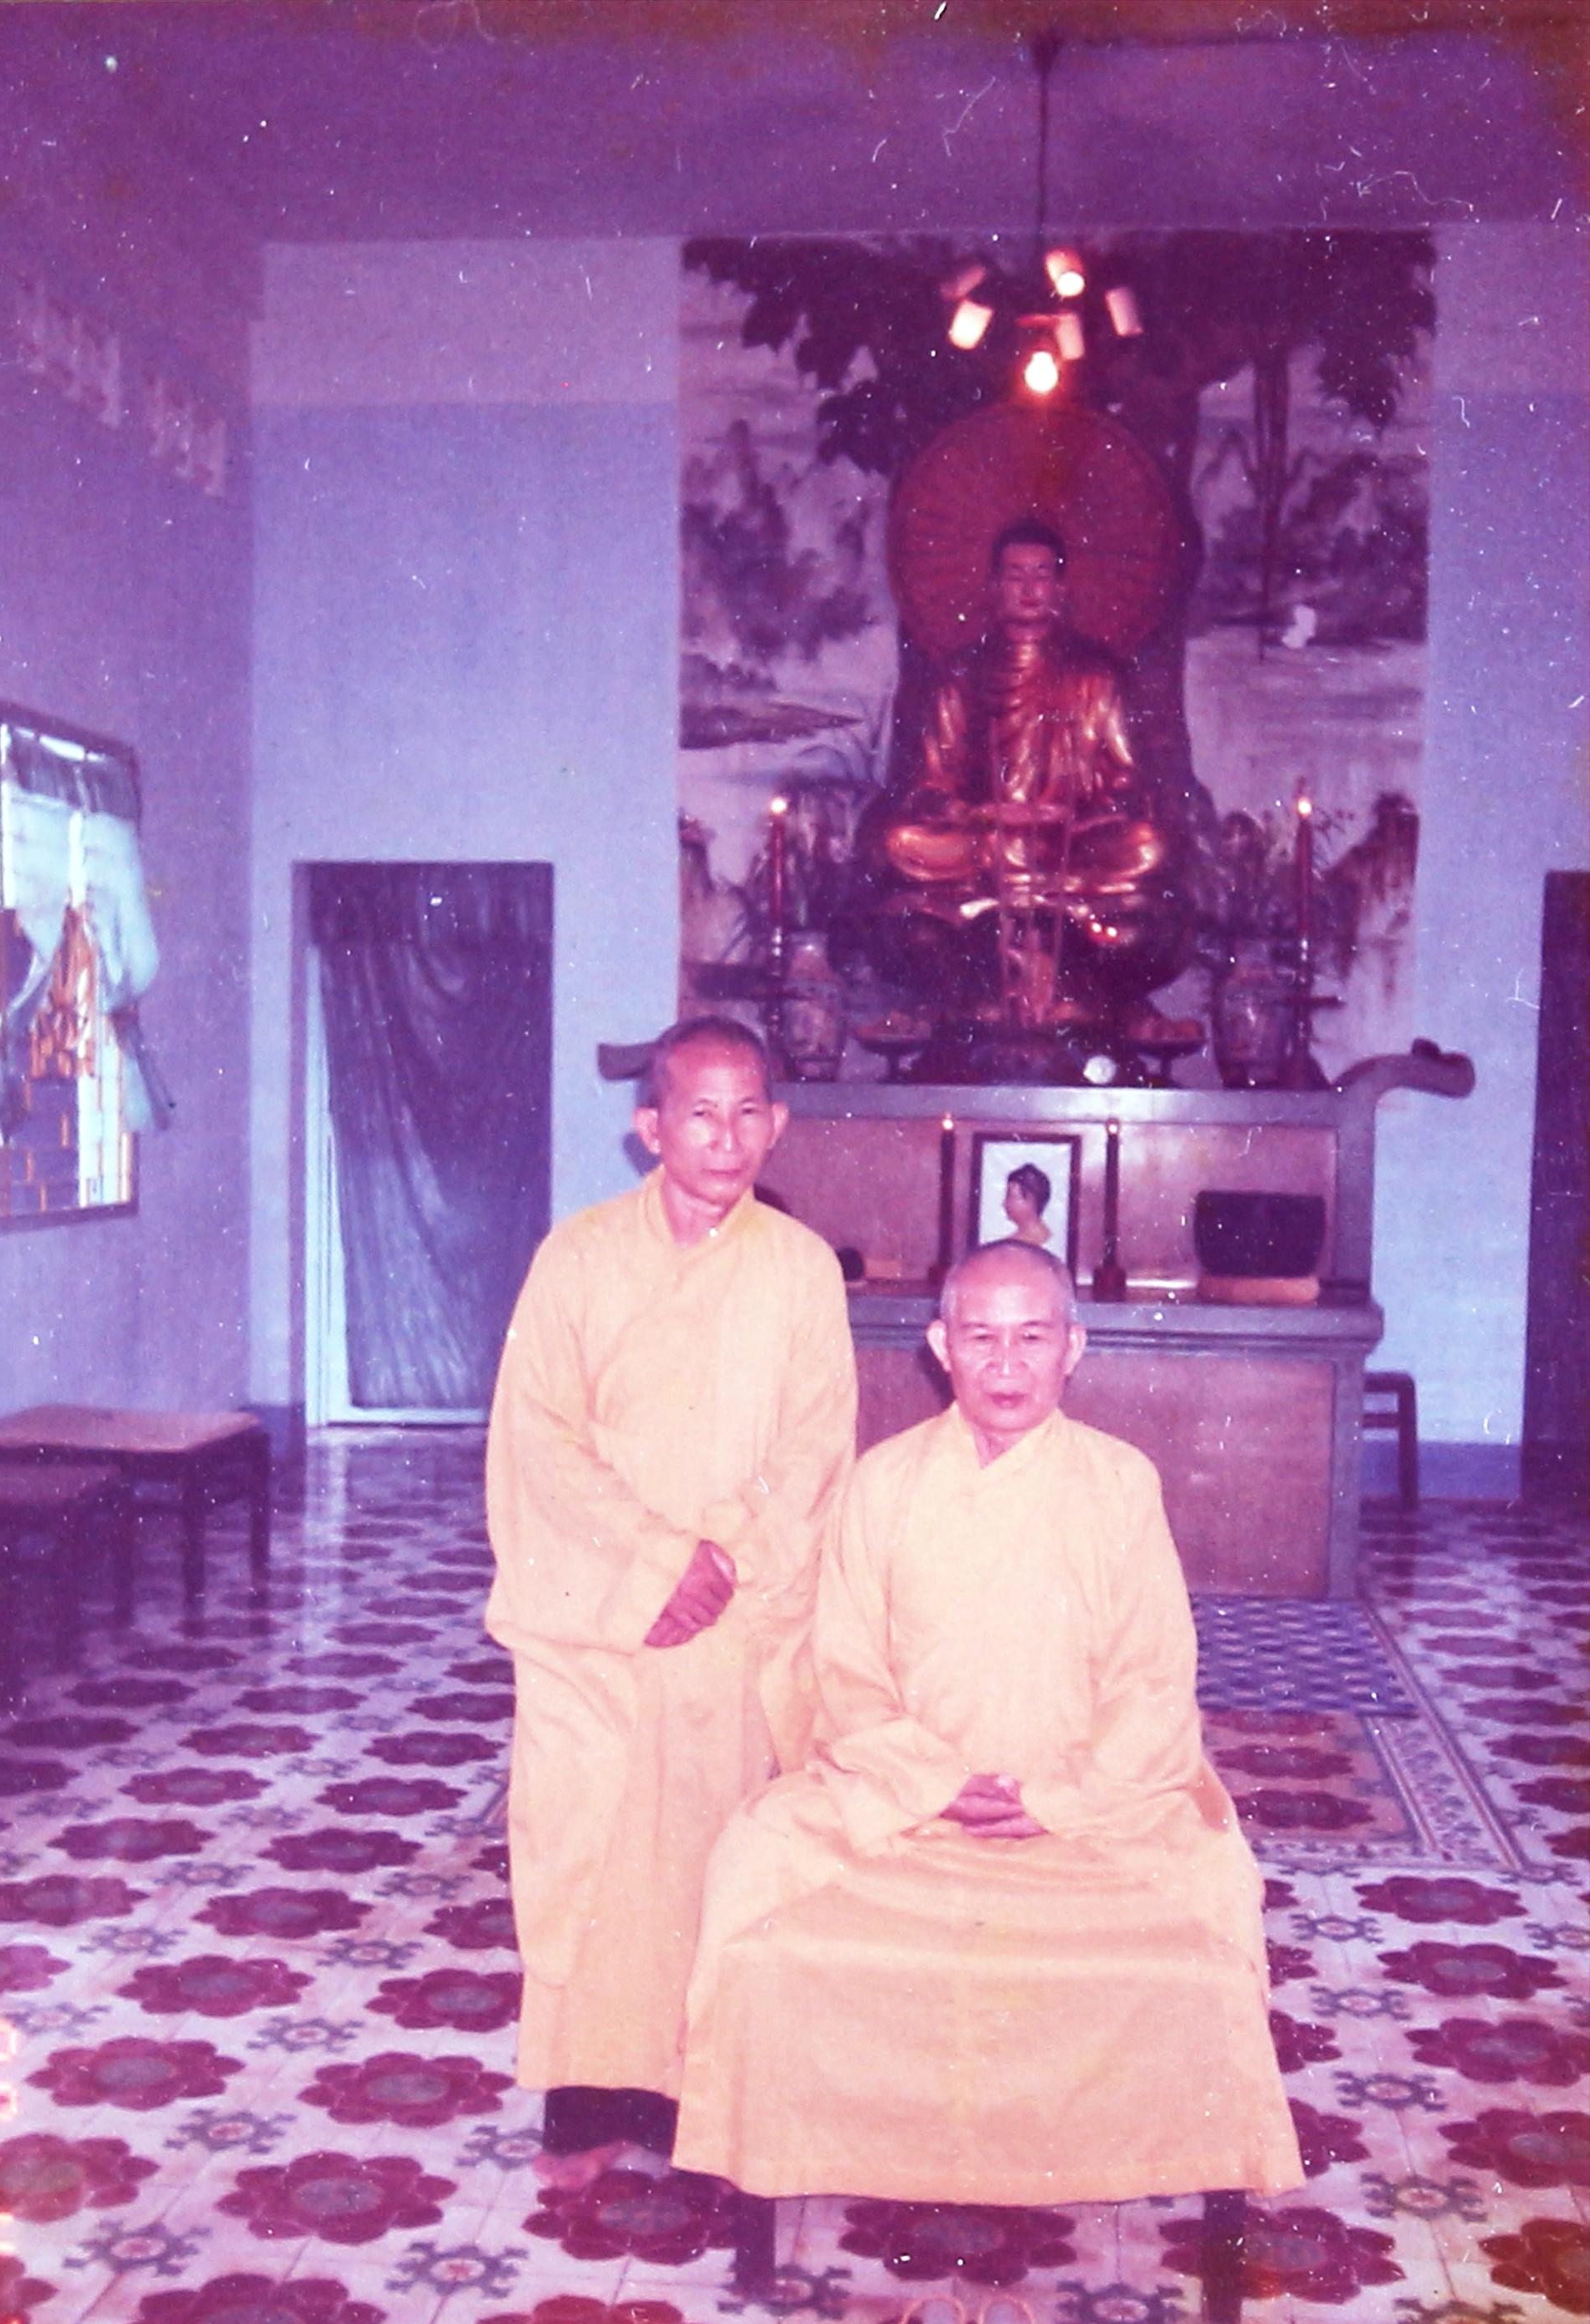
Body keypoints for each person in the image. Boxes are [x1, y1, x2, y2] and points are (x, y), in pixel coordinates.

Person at [673, 1239, 1303, 2209]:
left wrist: (1056, 1796)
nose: (1006, 1364)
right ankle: (780, 2144)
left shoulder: (1119, 1481)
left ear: (1072, 1347)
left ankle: (1160, 2148)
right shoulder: (882, 1480)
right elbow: (846, 1670)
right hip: (907, 1805)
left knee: (1216, 1888)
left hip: (1089, 1815)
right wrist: (932, 1782)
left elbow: (1153, 1681)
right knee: (753, 1862)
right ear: (941, 1345)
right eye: (981, 1338)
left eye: (1031, 1337)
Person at [485, 1016, 857, 2188]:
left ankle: (715, 2113)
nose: (725, 1137)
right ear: (650, 1127)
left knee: (726, 1857)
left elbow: (816, 1442)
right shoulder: (577, 1257)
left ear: (776, 1124)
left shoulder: (800, 1267)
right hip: (610, 1616)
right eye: (700, 1112)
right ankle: (589, 2105)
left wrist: (719, 1560)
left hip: (739, 1619)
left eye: (748, 1112)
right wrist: (654, 1565)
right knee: (598, 1858)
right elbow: (538, 1439)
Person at [881, 519, 1184, 1035]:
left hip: (1067, 843)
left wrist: (1078, 815)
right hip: (987, 842)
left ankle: (1031, 899)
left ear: (1060, 588)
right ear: (993, 587)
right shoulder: (961, 675)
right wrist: (984, 814)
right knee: (904, 844)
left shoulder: (1094, 675)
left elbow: (1124, 778)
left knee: (1146, 845)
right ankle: (1048, 900)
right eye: (1015, 575)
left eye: (1041, 575)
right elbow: (932, 785)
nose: (1028, 589)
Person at [1001, 1161, 1051, 1248]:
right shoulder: (1010, 1244)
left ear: (1030, 1199)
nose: (1004, 1204)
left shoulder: (1047, 1244)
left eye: (1009, 1196)